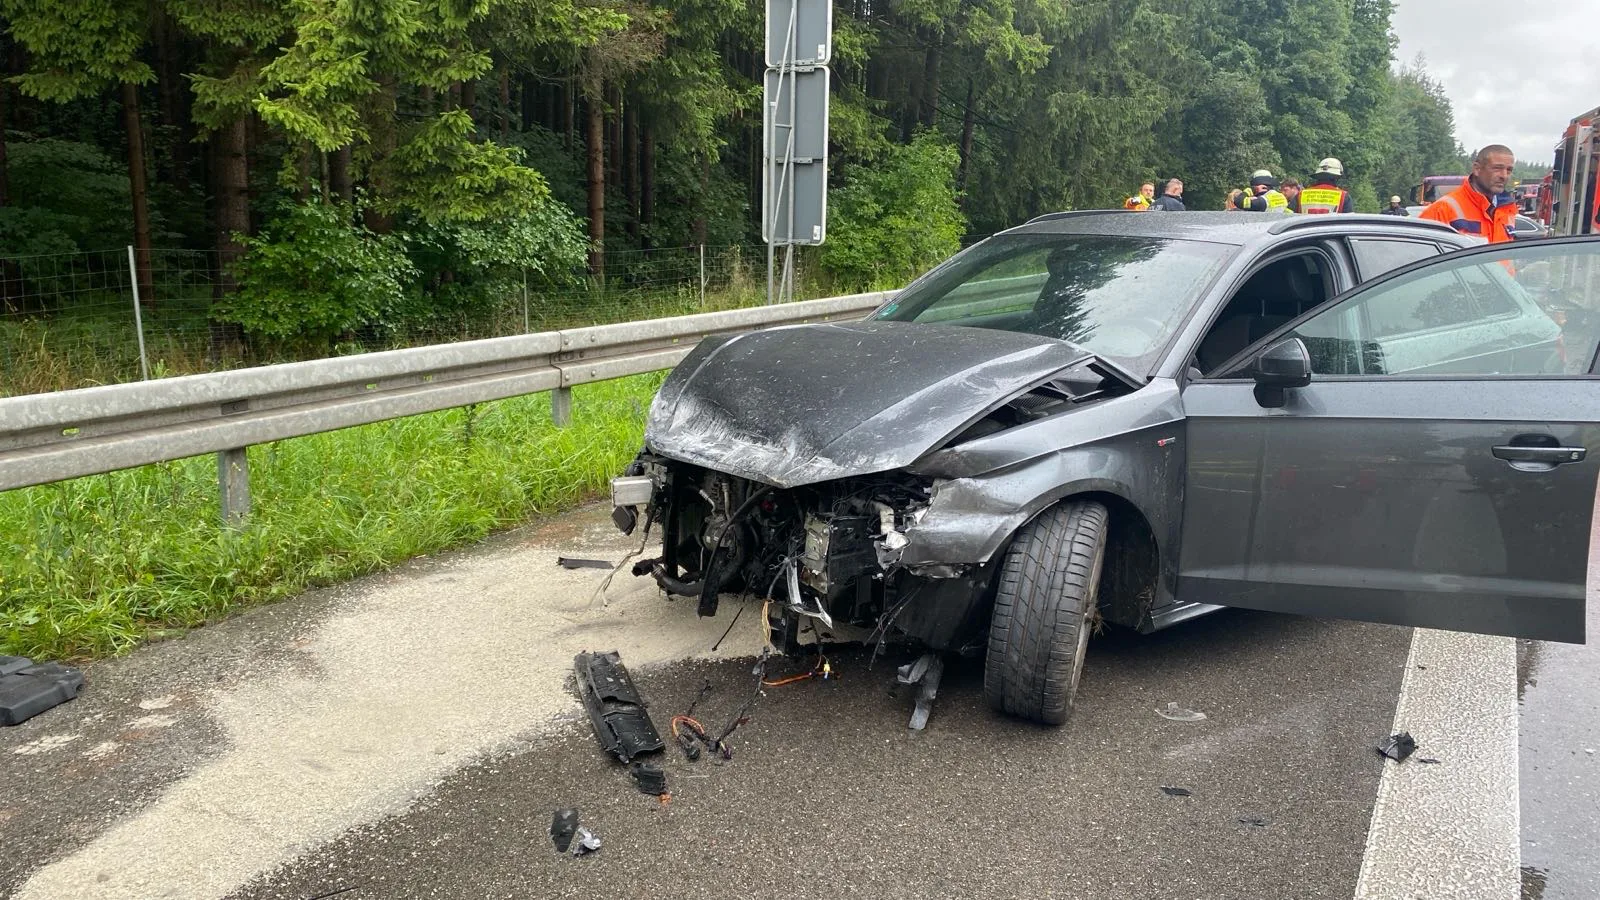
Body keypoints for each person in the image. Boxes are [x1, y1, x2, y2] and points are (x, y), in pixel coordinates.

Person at [1420, 145, 1519, 242]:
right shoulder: (1442, 210)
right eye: (1497, 168)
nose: (1504, 176)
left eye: (1509, 170)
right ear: (1477, 169)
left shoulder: (1507, 209)